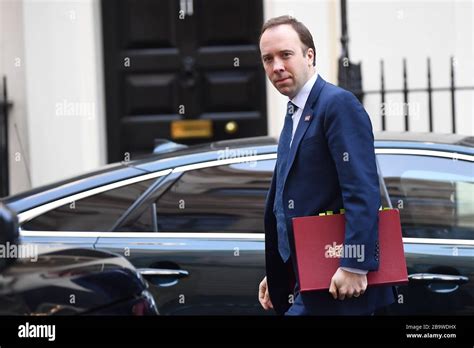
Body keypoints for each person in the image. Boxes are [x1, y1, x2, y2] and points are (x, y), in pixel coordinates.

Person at [257, 15, 396, 315]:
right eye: (268, 59)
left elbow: (361, 189)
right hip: (306, 277)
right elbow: (291, 195)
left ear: (310, 56)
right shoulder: (295, 111)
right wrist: (281, 271)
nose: (276, 66)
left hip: (338, 281)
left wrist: (355, 263)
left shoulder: (337, 104)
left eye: (285, 54)